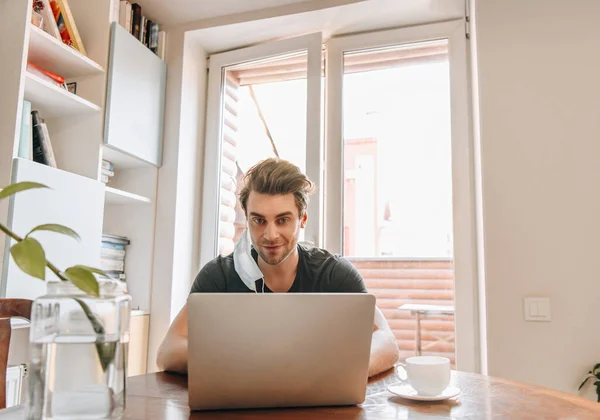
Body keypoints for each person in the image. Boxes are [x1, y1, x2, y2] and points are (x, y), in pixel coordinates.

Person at [156, 158, 399, 377]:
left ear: (302, 219)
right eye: (259, 220)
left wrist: (341, 368)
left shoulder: (334, 274)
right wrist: (247, 363)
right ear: (247, 217)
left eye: (282, 220)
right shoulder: (219, 276)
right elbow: (168, 351)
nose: (270, 235)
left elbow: (386, 341)